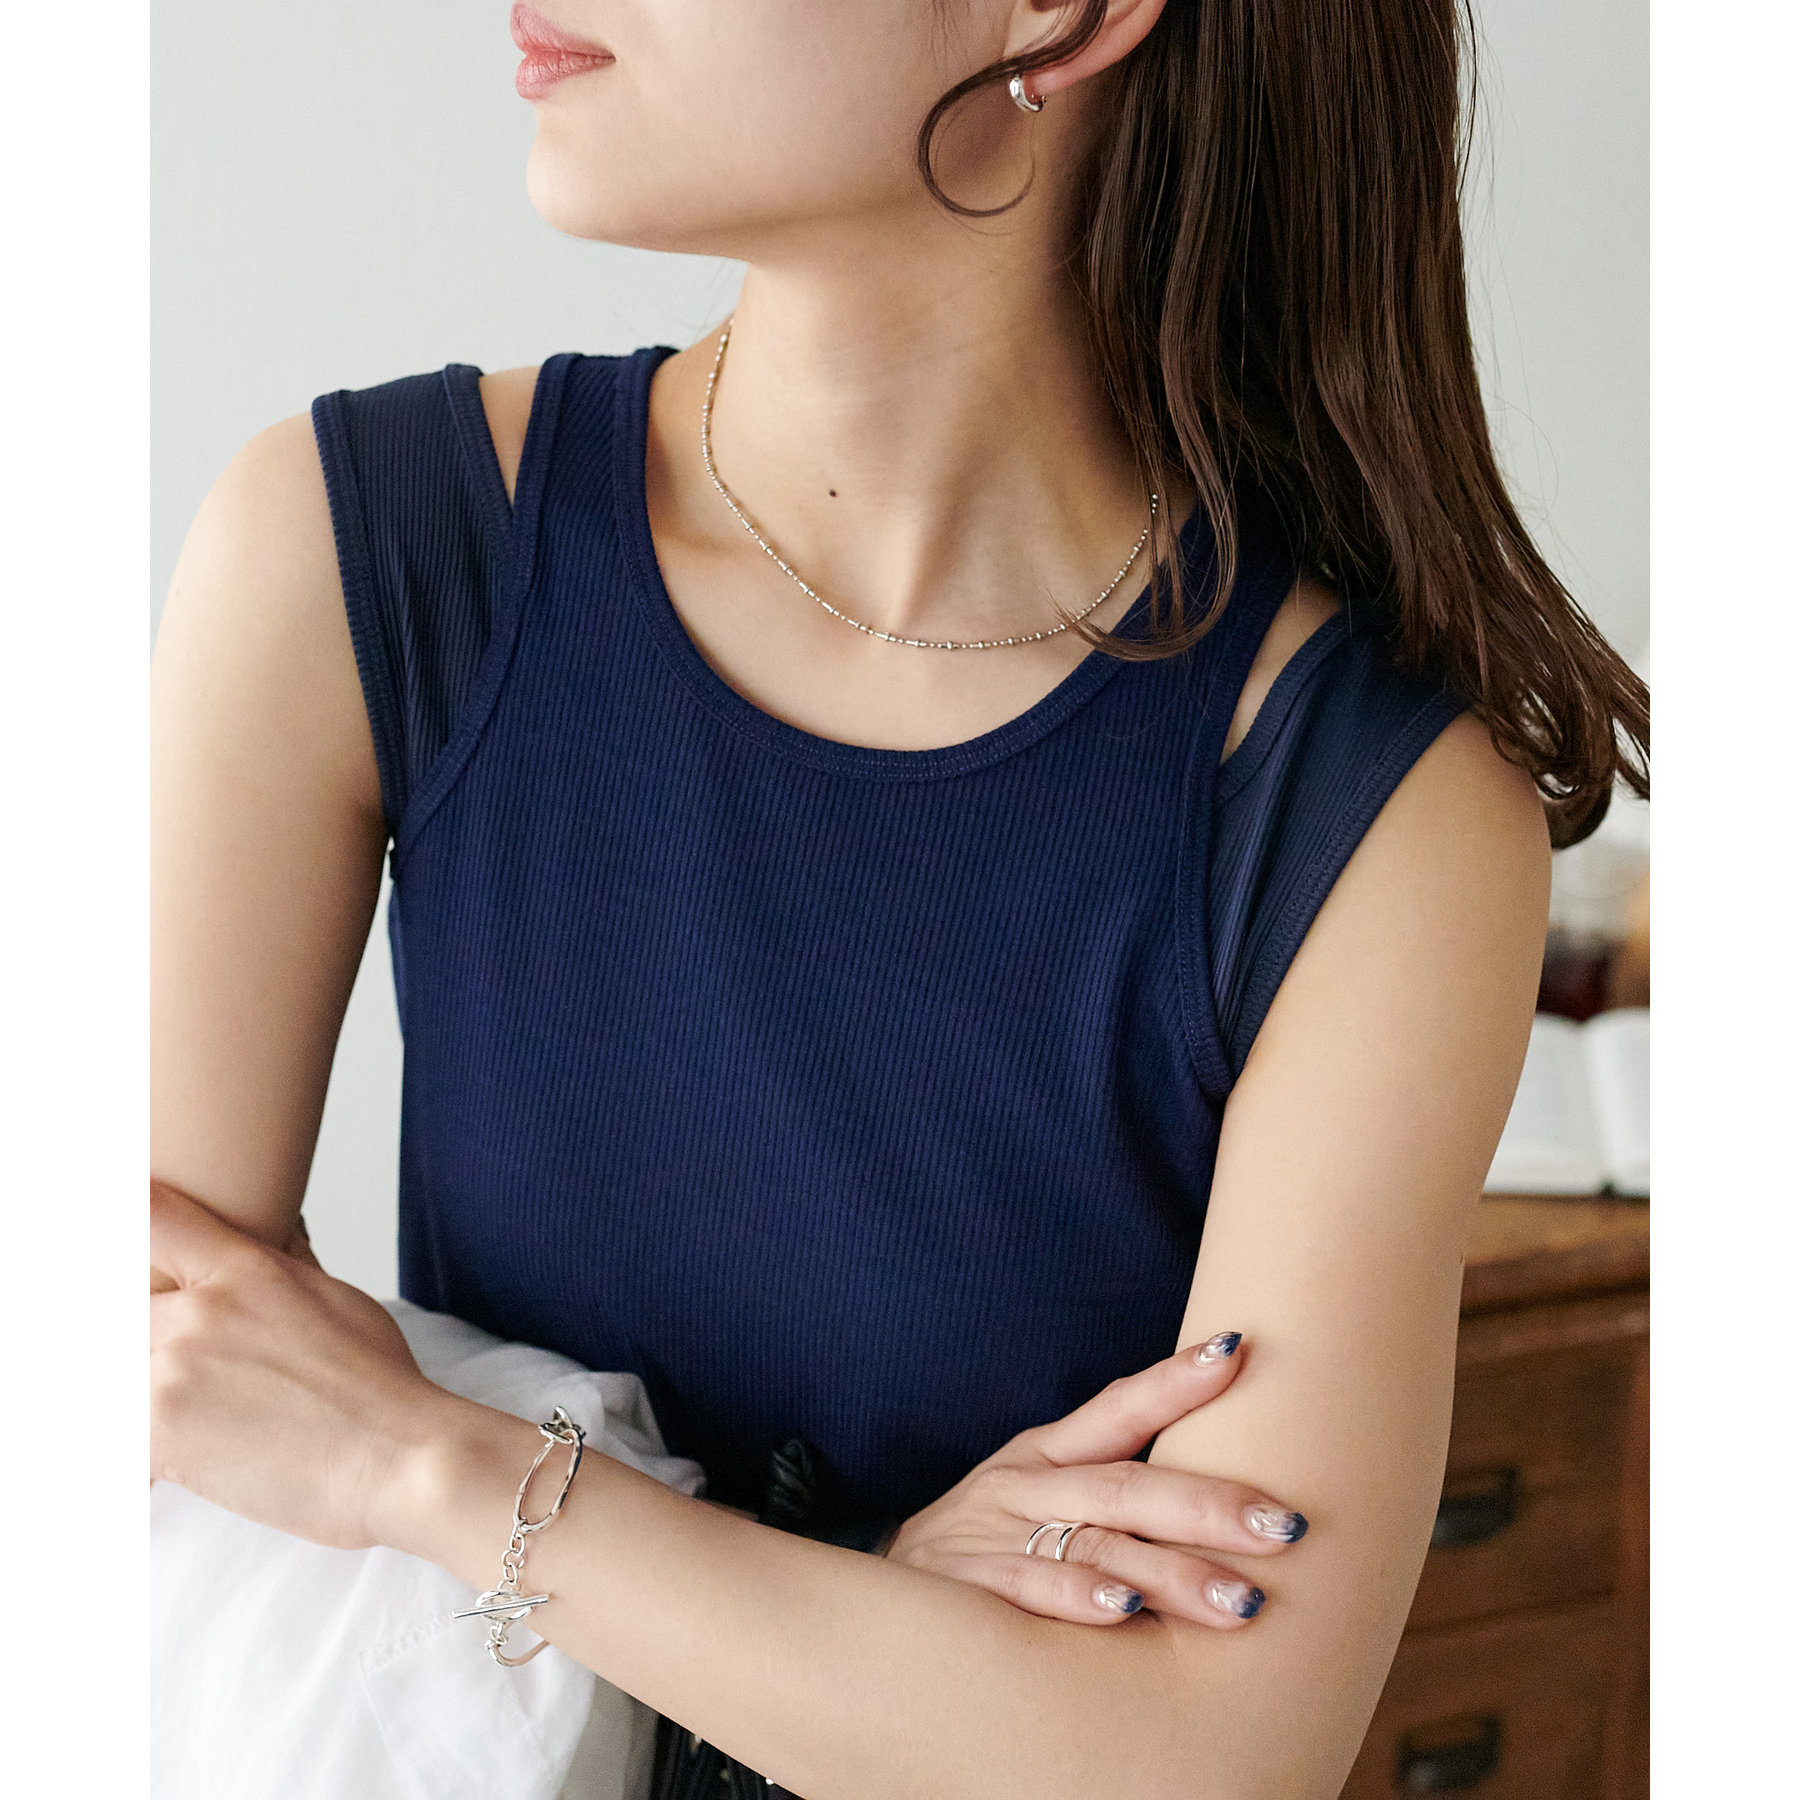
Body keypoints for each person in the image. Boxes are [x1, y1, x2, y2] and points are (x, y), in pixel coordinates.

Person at [149, 2, 1649, 1796]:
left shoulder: (1369, 809)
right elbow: (156, 1398)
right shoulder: (361, 550)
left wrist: (425, 1465)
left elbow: (1204, 1764)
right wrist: (873, 1611)